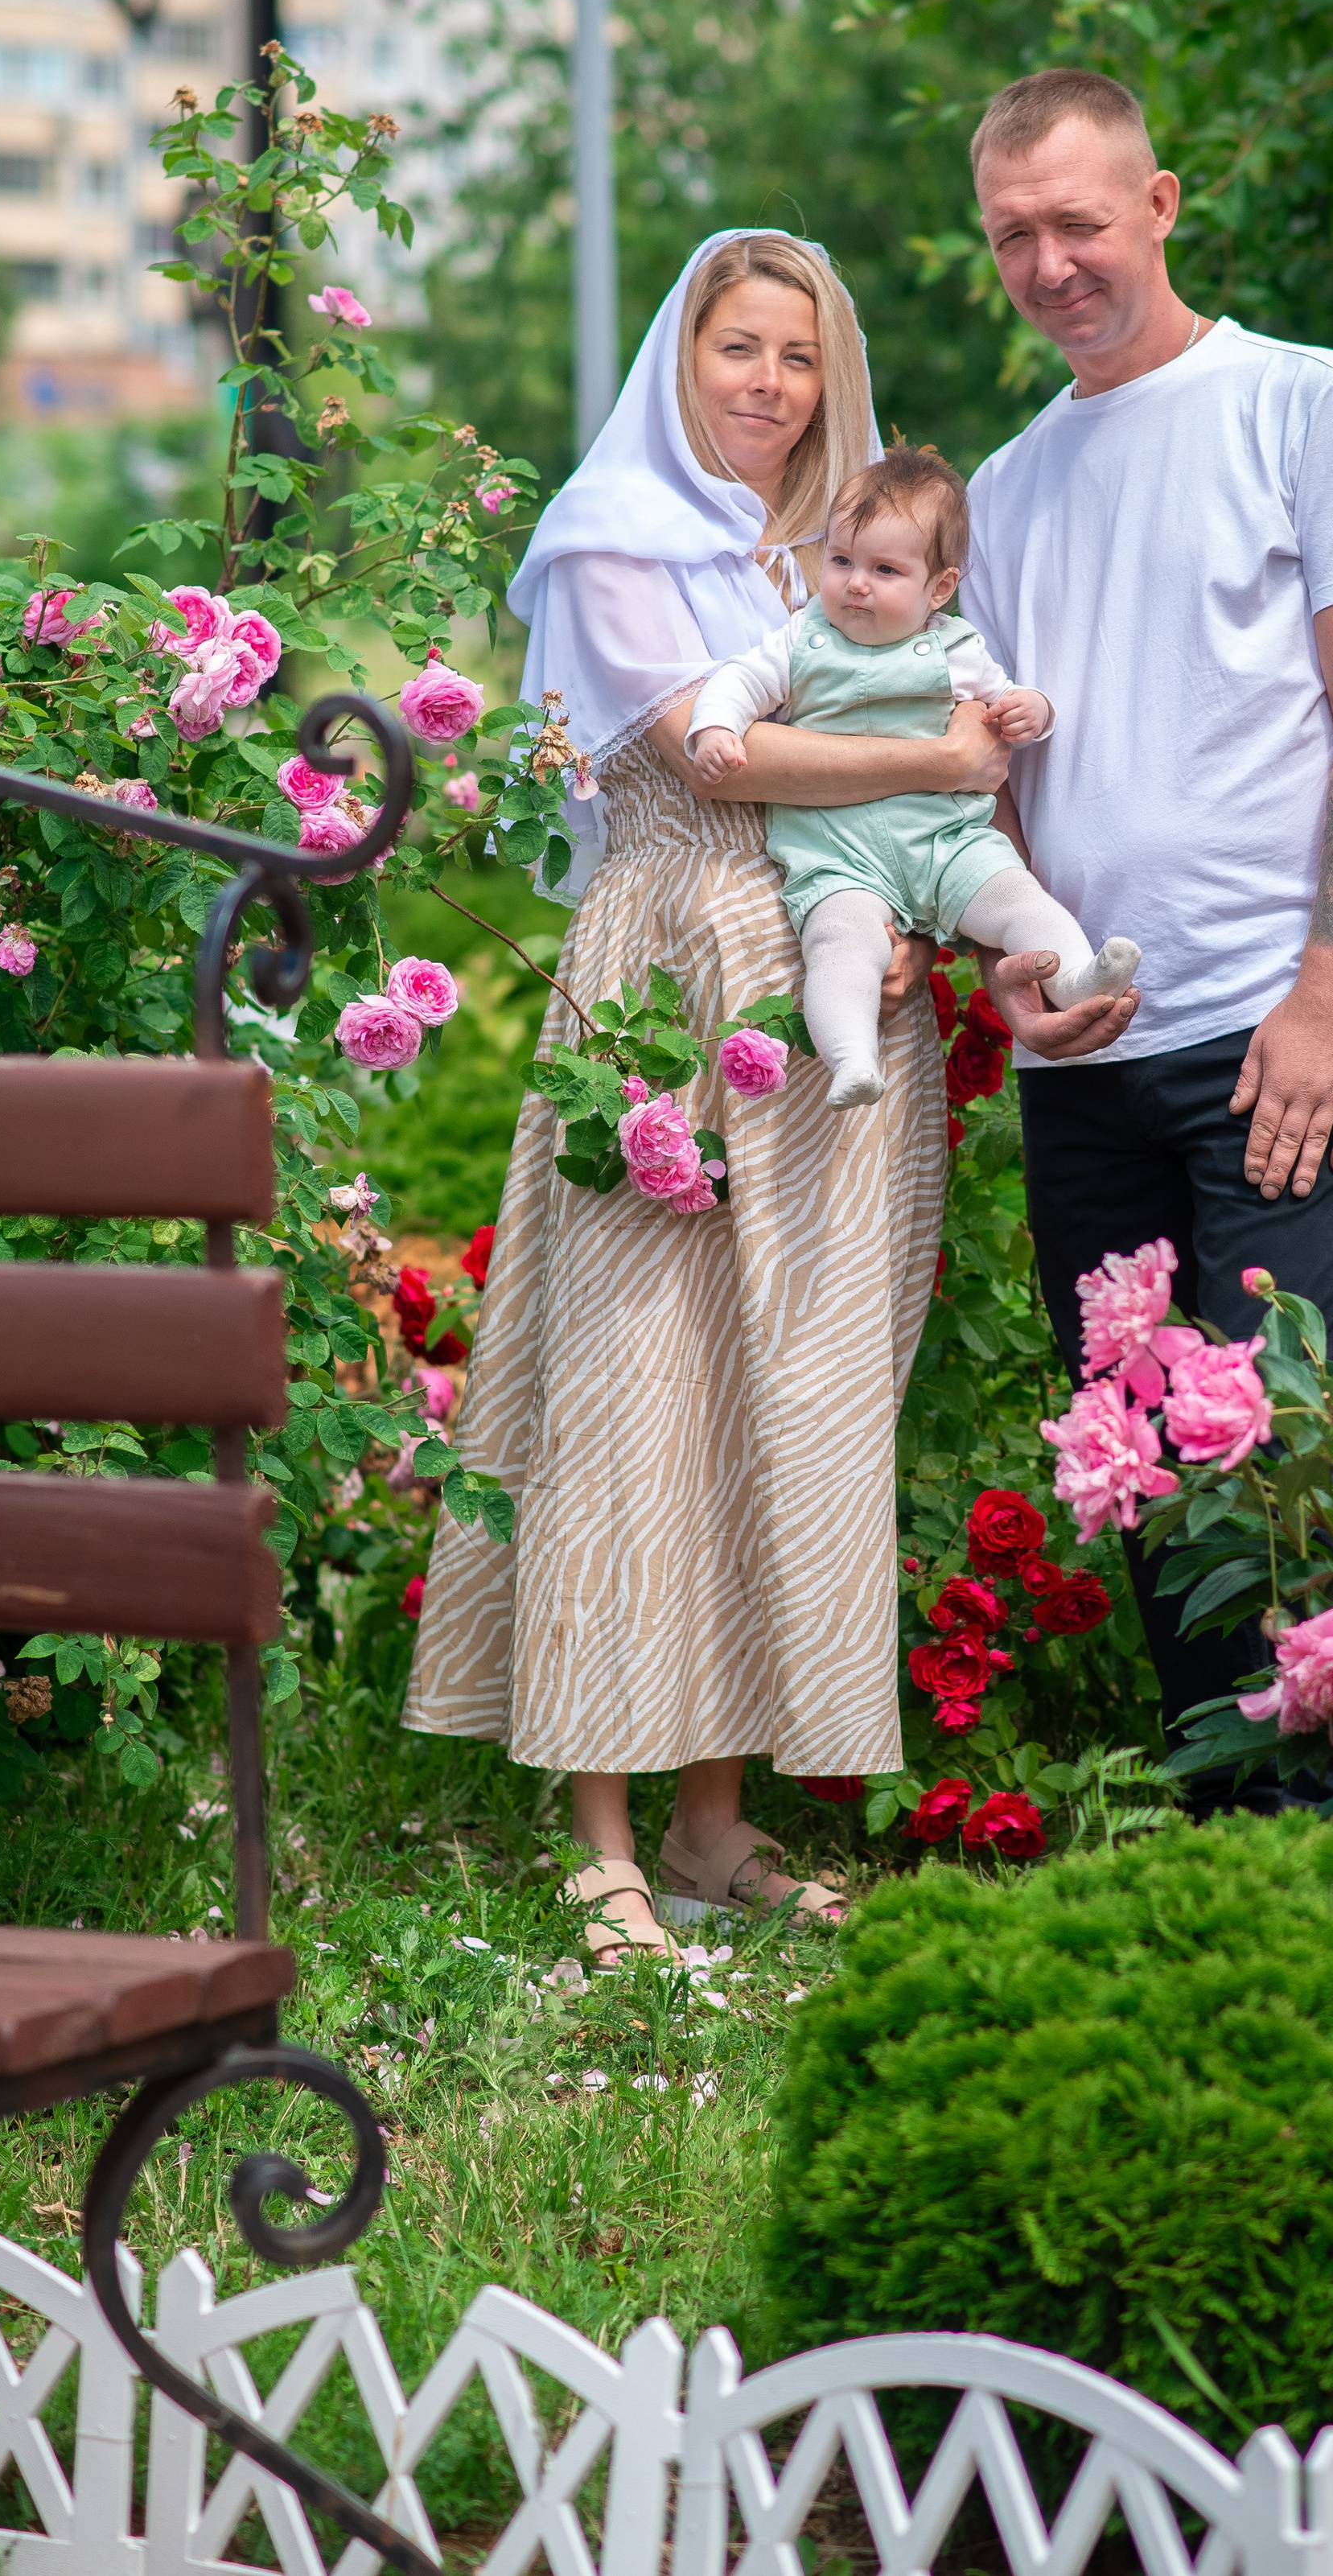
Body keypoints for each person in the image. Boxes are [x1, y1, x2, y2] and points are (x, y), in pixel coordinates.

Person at [405, 230, 1010, 1961]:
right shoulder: (613, 538)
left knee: (792, 1393)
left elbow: (922, 793)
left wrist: (904, 909)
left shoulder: (841, 557)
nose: (767, 384)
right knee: (636, 1382)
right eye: (737, 348)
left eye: (798, 358)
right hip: (669, 976)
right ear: (681, 359)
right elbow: (703, 752)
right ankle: (595, 1824)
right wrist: (939, 757)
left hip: (838, 1012)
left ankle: (711, 1822)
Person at [959, 69, 1333, 1770]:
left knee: (1283, 1490)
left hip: (1273, 1038)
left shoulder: (1304, 405)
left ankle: (1328, 1866)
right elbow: (1004, 795)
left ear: (1160, 204)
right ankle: (1210, 1878)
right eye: (1013, 233)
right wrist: (1009, 977)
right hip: (1083, 1061)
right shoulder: (1009, 490)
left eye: (1078, 223)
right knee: (1145, 1489)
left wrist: (1330, 992)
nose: (1050, 263)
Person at [687, 442, 1139, 1107]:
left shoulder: (956, 647)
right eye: (841, 561)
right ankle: (851, 1056)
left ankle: (1074, 978)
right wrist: (718, 727)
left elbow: (1011, 698)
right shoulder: (803, 636)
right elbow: (740, 678)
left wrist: (1032, 710)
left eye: (885, 569)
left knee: (1019, 899)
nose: (856, 582)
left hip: (946, 842)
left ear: (939, 588)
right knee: (841, 943)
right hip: (839, 853)